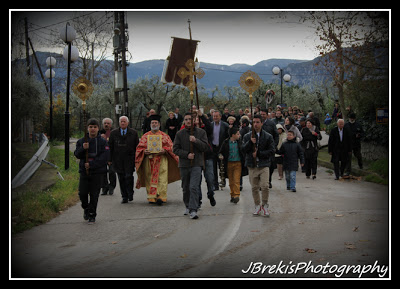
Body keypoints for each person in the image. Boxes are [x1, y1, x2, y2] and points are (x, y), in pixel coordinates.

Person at [135, 114, 180, 205]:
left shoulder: (165, 136)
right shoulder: (145, 136)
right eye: (152, 123)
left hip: (162, 159)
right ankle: (152, 196)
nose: (154, 124)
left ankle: (161, 196)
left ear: (159, 125)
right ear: (150, 124)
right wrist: (144, 151)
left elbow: (171, 147)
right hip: (149, 159)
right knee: (149, 177)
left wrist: (165, 150)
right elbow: (139, 148)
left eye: (156, 123)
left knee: (162, 178)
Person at [173, 112, 209, 219]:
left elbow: (205, 147)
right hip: (184, 164)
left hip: (197, 164)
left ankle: (194, 209)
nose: (188, 121)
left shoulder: (201, 132)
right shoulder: (179, 134)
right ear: (184, 121)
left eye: (190, 119)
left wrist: (196, 141)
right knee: (186, 187)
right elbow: (175, 149)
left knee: (194, 186)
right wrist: (186, 155)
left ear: (194, 120)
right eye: (186, 119)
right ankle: (187, 206)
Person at [74, 118, 109, 224]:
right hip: (84, 172)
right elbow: (77, 154)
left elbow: (105, 157)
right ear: (87, 128)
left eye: (95, 127)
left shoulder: (103, 142)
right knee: (82, 193)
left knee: (94, 194)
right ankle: (86, 208)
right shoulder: (81, 141)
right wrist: (83, 149)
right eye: (90, 127)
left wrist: (92, 165)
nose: (92, 129)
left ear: (98, 128)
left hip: (97, 172)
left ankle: (92, 215)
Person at [242, 114, 275, 217]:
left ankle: (265, 205)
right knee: (254, 187)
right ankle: (257, 205)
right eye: (254, 122)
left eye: (257, 122)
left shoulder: (268, 136)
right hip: (252, 165)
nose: (255, 124)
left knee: (265, 186)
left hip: (264, 164)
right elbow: (243, 149)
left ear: (261, 123)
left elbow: (272, 151)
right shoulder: (247, 136)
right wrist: (249, 143)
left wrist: (259, 154)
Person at [108, 116, 139, 203]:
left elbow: (137, 147)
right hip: (118, 159)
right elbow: (110, 146)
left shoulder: (133, 133)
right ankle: (124, 196)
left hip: (129, 159)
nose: (122, 123)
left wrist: (137, 158)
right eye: (121, 121)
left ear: (127, 123)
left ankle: (130, 193)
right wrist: (109, 159)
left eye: (124, 121)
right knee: (121, 178)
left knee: (128, 176)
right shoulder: (114, 133)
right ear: (119, 123)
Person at [218, 127, 245, 204]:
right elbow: (220, 152)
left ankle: (236, 195)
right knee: (231, 181)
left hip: (238, 163)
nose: (239, 135)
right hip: (229, 163)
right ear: (233, 135)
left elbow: (243, 150)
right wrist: (220, 156)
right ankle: (232, 194)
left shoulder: (239, 142)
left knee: (236, 180)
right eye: (237, 134)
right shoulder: (226, 142)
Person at [211, 110, 229, 190]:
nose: (215, 117)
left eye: (216, 116)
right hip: (213, 148)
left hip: (222, 149)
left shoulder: (225, 125)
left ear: (220, 117)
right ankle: (215, 184)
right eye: (214, 116)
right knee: (213, 167)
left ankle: (223, 180)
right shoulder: (210, 125)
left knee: (223, 166)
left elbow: (227, 137)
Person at [100, 118, 116, 195]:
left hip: (112, 155)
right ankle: (104, 187)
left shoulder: (114, 132)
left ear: (111, 125)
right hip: (102, 155)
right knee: (102, 172)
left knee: (112, 171)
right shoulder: (99, 133)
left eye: (108, 123)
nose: (106, 125)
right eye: (105, 123)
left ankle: (111, 187)